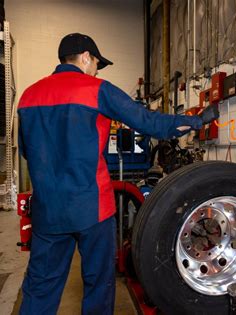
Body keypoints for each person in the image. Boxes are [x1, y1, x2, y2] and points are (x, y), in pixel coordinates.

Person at [17, 33, 219, 315]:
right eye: (96, 63)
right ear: (86, 57)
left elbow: (26, 151)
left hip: (48, 211)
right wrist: (197, 121)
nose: (96, 70)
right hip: (92, 208)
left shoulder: (28, 95)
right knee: (98, 284)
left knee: (40, 288)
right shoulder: (96, 89)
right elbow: (149, 122)